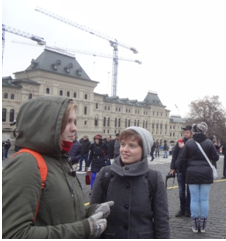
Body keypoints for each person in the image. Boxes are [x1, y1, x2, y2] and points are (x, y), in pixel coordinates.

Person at [2, 96, 113, 238]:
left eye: (74, 121)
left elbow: (56, 214)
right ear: (45, 124)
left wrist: (90, 212)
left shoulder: (58, 160)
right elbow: (13, 235)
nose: (75, 128)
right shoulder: (26, 163)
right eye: (67, 122)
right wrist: (83, 229)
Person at [90, 127, 170, 238]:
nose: (124, 150)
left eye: (132, 146)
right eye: (123, 144)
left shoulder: (154, 178)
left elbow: (161, 220)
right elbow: (93, 217)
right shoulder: (105, 174)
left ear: (144, 150)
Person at [176, 122, 219, 233]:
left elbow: (182, 158)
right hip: (206, 172)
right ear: (204, 131)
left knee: (194, 199)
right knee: (204, 199)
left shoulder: (189, 143)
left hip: (192, 172)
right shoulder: (209, 142)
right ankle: (203, 225)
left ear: (194, 131)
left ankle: (195, 225)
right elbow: (216, 157)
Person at [170, 125, 193, 218]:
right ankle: (182, 209)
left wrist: (184, 147)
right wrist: (173, 168)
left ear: (192, 133)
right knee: (181, 191)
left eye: (187, 132)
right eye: (185, 132)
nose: (185, 134)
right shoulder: (180, 142)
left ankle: (188, 210)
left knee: (190, 191)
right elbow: (174, 154)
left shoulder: (193, 143)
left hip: (190, 169)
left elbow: (192, 155)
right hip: (180, 169)